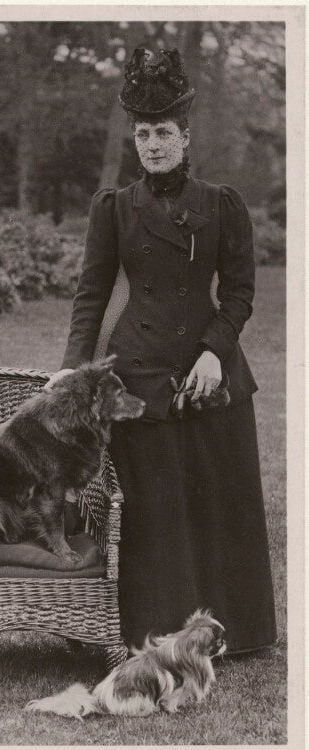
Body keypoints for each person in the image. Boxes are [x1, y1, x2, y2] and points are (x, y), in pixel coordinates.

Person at [53, 48, 277, 653]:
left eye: (164, 133)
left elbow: (239, 292)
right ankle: (156, 634)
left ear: (185, 136)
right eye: (143, 133)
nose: (152, 144)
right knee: (154, 513)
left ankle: (236, 633)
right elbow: (91, 295)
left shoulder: (222, 204)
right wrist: (74, 370)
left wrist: (212, 351)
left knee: (216, 503)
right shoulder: (116, 208)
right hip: (140, 378)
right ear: (135, 139)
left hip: (212, 374)